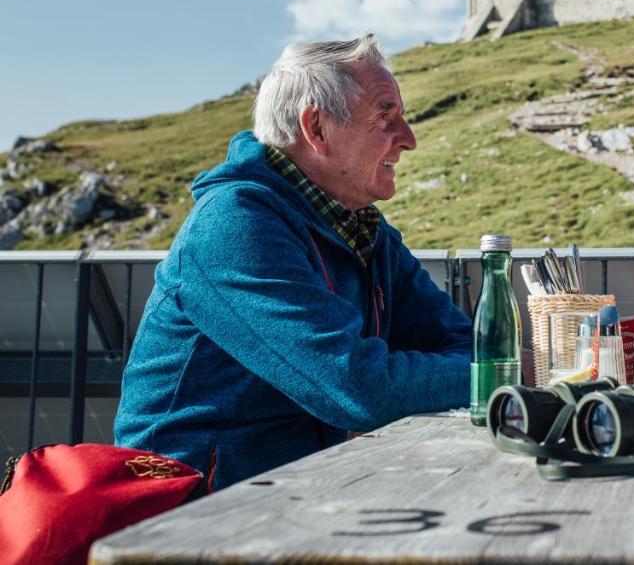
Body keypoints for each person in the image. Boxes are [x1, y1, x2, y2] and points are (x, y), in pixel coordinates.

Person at [115, 35, 472, 490]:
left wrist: (481, 368)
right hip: (193, 513)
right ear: (316, 128)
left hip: (309, 489)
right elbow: (358, 387)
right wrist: (498, 374)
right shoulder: (234, 225)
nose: (409, 140)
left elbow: (462, 342)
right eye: (385, 116)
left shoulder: (364, 230)